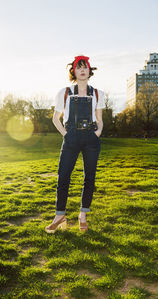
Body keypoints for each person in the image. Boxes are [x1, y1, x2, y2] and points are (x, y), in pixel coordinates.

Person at [45, 55, 104, 233]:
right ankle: (59, 215)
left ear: (89, 70)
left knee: (89, 178)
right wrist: (66, 135)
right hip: (71, 137)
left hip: (91, 139)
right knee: (63, 177)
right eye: (79, 67)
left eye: (85, 66)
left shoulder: (97, 93)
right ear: (74, 71)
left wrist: (97, 133)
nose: (82, 70)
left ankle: (83, 215)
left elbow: (100, 119)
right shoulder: (64, 93)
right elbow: (56, 119)